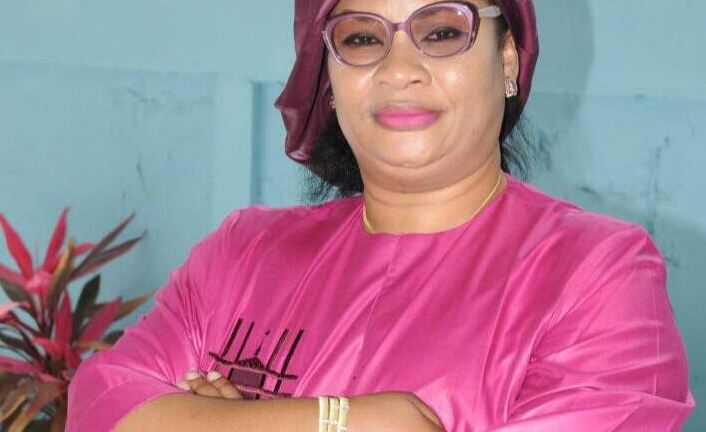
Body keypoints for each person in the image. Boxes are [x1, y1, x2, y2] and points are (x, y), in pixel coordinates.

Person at [66, 0, 696, 430]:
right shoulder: (244, 251)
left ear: (508, 58)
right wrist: (342, 419)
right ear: (329, 74)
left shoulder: (597, 274)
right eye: (363, 38)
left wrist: (224, 421)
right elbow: (98, 407)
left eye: (442, 31)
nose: (399, 71)